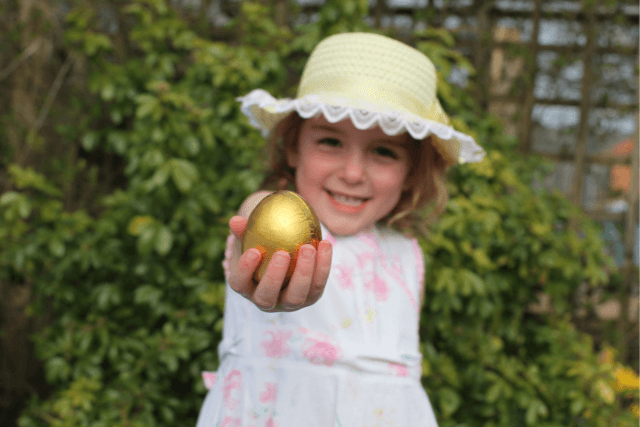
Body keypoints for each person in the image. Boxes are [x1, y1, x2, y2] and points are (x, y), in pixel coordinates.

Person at [196, 32, 485, 427]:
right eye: (330, 141)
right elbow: (255, 215)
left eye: (384, 151)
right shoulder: (268, 210)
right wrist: (271, 276)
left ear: (410, 171)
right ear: (294, 147)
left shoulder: (406, 254)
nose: (352, 173)